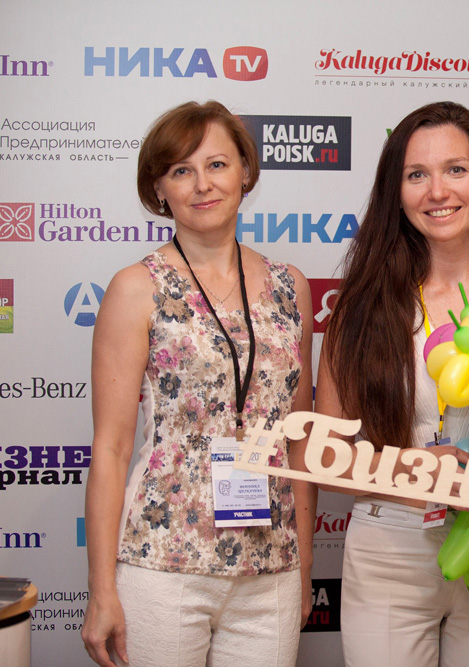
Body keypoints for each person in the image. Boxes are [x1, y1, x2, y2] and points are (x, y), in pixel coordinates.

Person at [316, 101, 469, 667]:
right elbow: (322, 455)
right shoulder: (360, 303)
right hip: (388, 548)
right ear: (396, 193)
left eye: (456, 169)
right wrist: (417, 470)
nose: (438, 191)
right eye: (416, 175)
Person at [81, 101, 315, 667]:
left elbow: (301, 443)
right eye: (181, 170)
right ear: (159, 188)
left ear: (245, 173)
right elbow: (111, 448)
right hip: (164, 562)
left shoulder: (291, 287)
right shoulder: (137, 287)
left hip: (271, 570)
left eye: (217, 164)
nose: (202, 184)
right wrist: (101, 590)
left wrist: (304, 566)